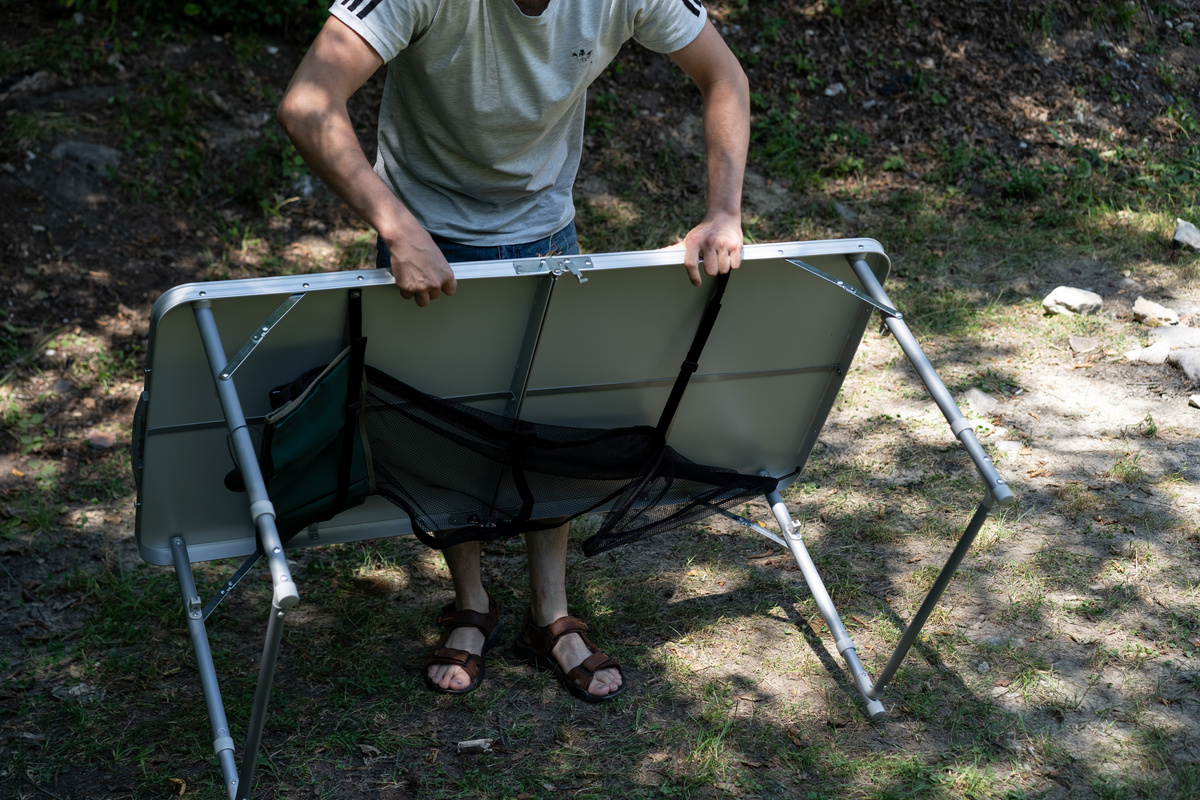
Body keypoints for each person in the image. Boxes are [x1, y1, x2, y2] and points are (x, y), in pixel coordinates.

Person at [276, 0, 749, 702]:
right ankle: (470, 602)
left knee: (548, 416)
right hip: (426, 235)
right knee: (442, 418)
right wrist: (397, 227)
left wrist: (723, 210)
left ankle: (549, 613)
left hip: (545, 227)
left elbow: (724, 76)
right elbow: (308, 103)